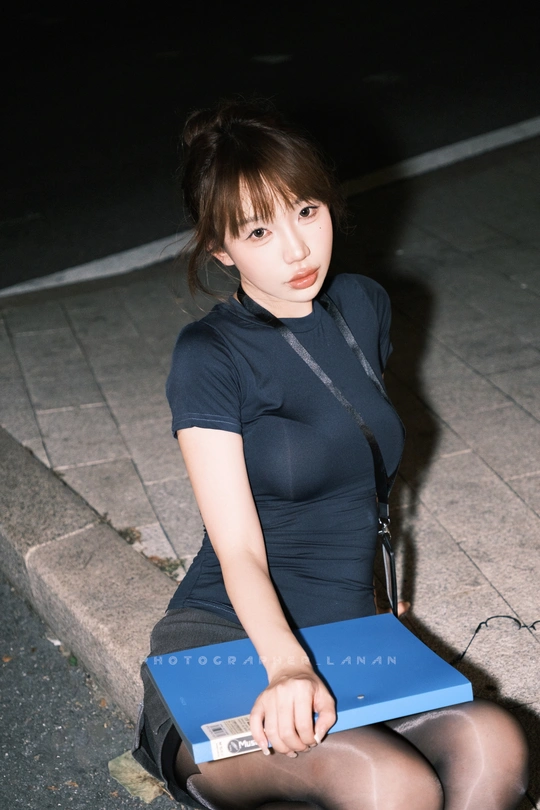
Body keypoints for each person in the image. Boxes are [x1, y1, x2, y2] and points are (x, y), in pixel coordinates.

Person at [133, 100, 528, 810]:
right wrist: (287, 666)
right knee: (392, 783)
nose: (297, 250)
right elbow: (237, 549)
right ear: (220, 248)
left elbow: (352, 465)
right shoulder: (209, 355)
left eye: (306, 211)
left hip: (344, 638)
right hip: (233, 640)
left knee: (494, 740)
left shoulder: (364, 305)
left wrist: (371, 598)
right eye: (259, 230)